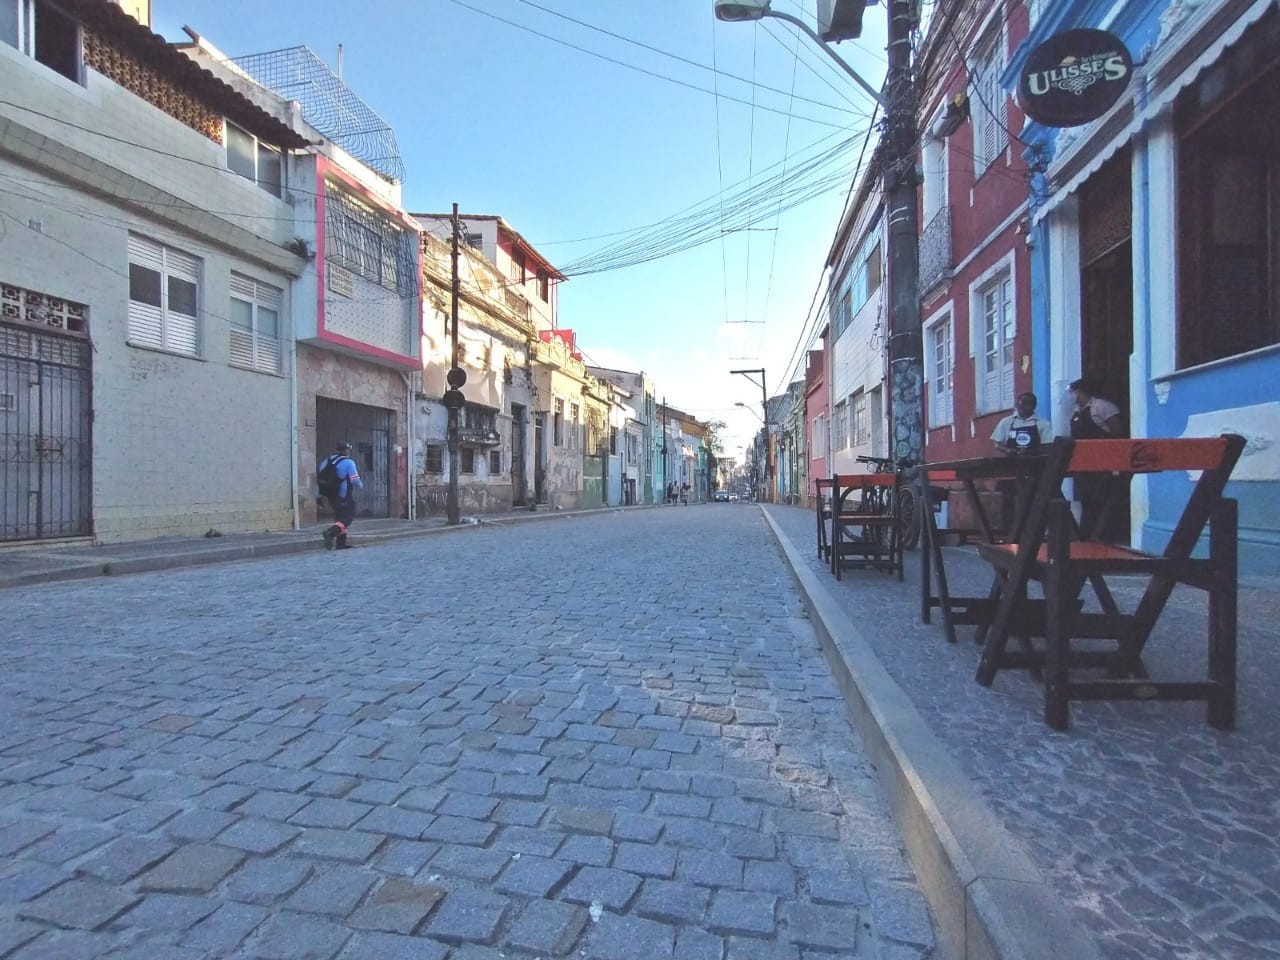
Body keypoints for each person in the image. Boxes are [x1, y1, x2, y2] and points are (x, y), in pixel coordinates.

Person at [1068, 378, 1126, 539]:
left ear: (1081, 392)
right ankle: (1087, 538)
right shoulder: (1077, 411)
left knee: (1102, 500)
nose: (1072, 396)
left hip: (1101, 463)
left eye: (1073, 392)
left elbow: (1117, 431)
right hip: (1082, 464)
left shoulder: (1101, 406)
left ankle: (1105, 537)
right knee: (1086, 502)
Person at [317, 441, 363, 550]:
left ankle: (341, 543)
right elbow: (355, 480)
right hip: (344, 495)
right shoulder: (348, 462)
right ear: (347, 450)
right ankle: (330, 532)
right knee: (347, 518)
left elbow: (320, 478)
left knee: (339, 517)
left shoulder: (326, 461)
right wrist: (361, 485)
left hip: (331, 495)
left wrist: (319, 496)